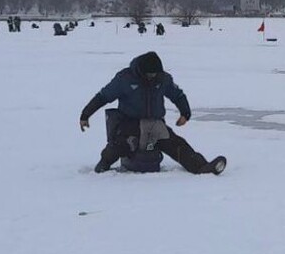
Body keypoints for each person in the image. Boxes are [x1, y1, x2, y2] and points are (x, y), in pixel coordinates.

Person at [79, 51, 226, 175]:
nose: (152, 76)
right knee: (119, 145)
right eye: (149, 74)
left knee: (176, 144)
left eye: (155, 74)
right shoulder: (124, 78)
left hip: (155, 123)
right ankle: (102, 167)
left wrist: (185, 113)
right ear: (141, 71)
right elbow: (103, 96)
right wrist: (85, 115)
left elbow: (178, 95)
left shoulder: (164, 79)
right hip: (130, 122)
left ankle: (202, 167)